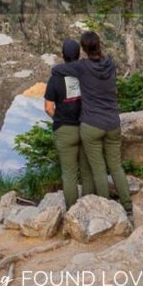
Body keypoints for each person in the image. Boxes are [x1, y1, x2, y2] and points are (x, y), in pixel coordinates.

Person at [51, 30, 132, 215]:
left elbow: (56, 70)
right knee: (116, 166)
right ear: (99, 45)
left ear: (84, 50)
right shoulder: (110, 64)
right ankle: (128, 207)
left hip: (91, 125)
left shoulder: (82, 67)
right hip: (113, 122)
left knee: (98, 169)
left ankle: (106, 210)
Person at [44, 38, 95, 208]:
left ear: (63, 55)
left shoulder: (55, 78)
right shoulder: (87, 73)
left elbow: (48, 107)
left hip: (65, 129)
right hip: (86, 125)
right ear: (79, 54)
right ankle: (88, 208)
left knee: (69, 174)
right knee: (87, 172)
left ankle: (73, 211)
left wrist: (58, 118)